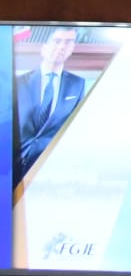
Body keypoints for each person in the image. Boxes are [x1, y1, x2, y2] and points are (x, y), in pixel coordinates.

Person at [15, 26, 88, 178]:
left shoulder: (77, 85)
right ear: (44, 47)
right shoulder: (18, 83)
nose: (62, 47)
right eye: (57, 41)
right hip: (15, 166)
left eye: (68, 42)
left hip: (53, 170)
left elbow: (76, 129)